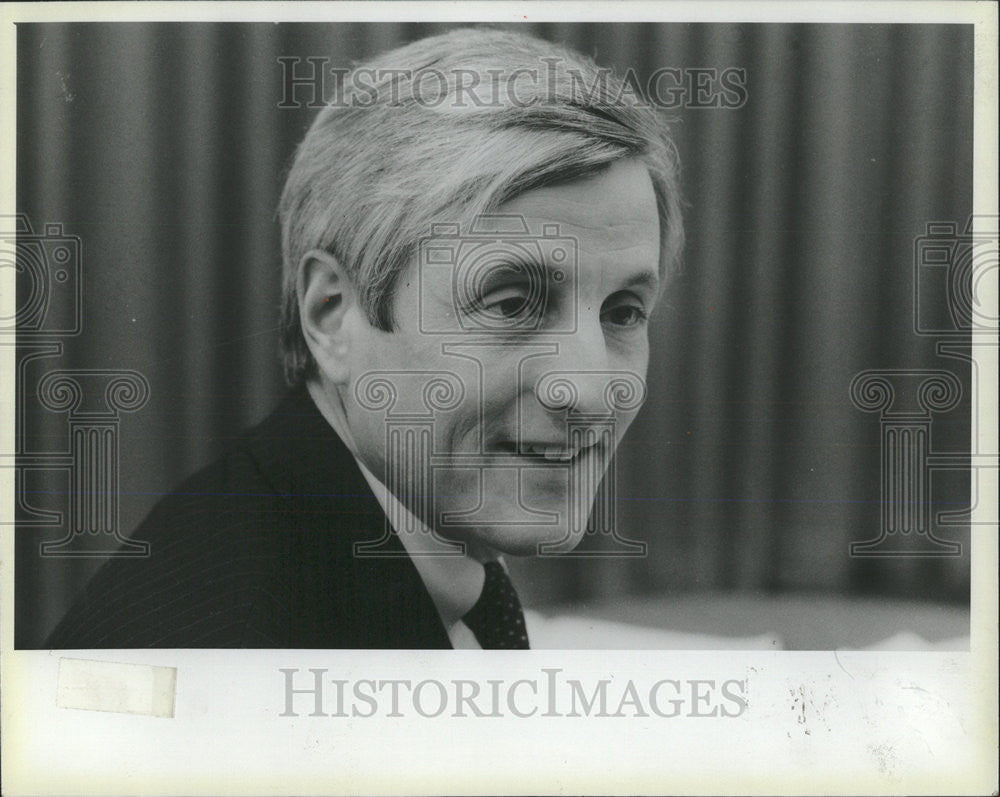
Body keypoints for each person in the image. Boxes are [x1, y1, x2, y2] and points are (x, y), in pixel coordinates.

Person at [44, 27, 683, 649]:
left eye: (622, 311)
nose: (593, 389)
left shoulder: (380, 531)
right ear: (331, 316)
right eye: (513, 303)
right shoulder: (238, 654)